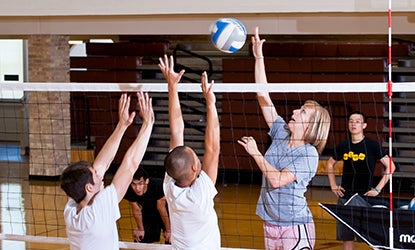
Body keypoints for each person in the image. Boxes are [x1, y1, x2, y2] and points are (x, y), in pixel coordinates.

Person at [237, 26, 331, 250]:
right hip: (269, 221)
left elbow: (277, 180)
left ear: (311, 125)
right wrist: (259, 57)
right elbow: (263, 95)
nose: (295, 112)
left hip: (294, 226)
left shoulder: (308, 155)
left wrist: (256, 154)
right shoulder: (281, 133)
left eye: (302, 112)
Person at [60, 92, 155, 250]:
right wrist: (148, 124)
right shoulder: (97, 212)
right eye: (96, 175)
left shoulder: (71, 210)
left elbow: (101, 165)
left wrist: (122, 125)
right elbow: (130, 165)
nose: (100, 175)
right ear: (89, 187)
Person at [159, 55, 221, 249]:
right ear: (195, 167)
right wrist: (210, 102)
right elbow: (213, 148)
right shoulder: (200, 193)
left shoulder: (170, 185)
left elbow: (176, 130)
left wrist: (172, 86)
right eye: (195, 155)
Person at [326, 111, 395, 250]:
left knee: (371, 238)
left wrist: (377, 189)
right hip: (345, 197)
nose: (353, 124)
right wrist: (333, 185)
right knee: (346, 238)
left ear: (364, 125)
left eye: (357, 121)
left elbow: (391, 166)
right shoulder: (344, 145)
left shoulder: (372, 146)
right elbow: (329, 163)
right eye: (351, 121)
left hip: (364, 198)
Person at [124, 167, 171, 243]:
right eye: (134, 184)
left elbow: (161, 208)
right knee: (140, 238)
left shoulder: (158, 186)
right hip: (149, 213)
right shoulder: (129, 190)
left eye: (140, 183)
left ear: (147, 181)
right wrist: (140, 229)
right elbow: (136, 209)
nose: (137, 188)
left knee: (171, 240)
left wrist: (168, 230)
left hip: (167, 213)